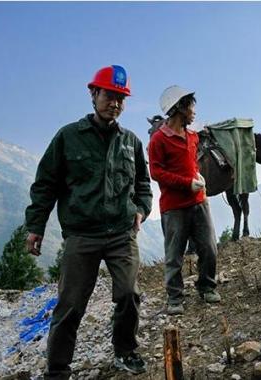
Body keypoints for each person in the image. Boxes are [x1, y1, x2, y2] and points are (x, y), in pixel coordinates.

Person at [24, 65, 152, 378]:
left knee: (128, 294)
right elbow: (46, 184)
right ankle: (57, 369)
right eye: (109, 95)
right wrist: (36, 226)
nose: (116, 103)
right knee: (70, 306)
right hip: (82, 237)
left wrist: (141, 209)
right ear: (93, 94)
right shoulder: (68, 137)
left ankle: (125, 351)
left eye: (121, 98)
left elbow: (144, 185)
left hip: (122, 234)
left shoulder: (131, 143)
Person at [148, 85, 221, 315]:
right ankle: (174, 297)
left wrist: (196, 176)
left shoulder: (192, 136)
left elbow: (192, 164)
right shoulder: (159, 140)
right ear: (179, 107)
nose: (194, 111)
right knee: (174, 255)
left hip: (199, 201)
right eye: (190, 105)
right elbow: (156, 173)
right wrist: (185, 183)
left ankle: (207, 286)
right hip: (174, 207)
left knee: (208, 247)